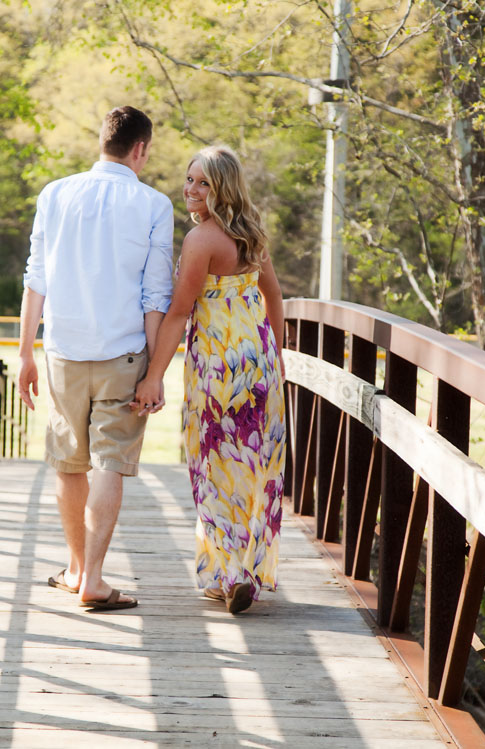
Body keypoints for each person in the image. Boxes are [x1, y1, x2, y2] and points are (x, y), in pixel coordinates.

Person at [17, 106, 173, 611]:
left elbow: (35, 279)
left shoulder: (55, 194)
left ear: (102, 140)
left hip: (62, 350)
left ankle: (76, 568)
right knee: (110, 461)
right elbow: (156, 296)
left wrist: (25, 356)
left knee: (69, 463)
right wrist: (154, 372)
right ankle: (95, 580)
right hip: (123, 353)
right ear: (140, 148)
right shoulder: (154, 205)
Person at [134, 145, 286, 615]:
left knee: (214, 463)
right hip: (258, 359)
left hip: (219, 365)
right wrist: (277, 361)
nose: (191, 190)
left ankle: (232, 573)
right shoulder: (253, 233)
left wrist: (152, 376)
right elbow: (275, 299)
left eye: (203, 183)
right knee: (251, 463)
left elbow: (180, 311)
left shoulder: (201, 240)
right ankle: (239, 571)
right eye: (189, 179)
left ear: (222, 188)